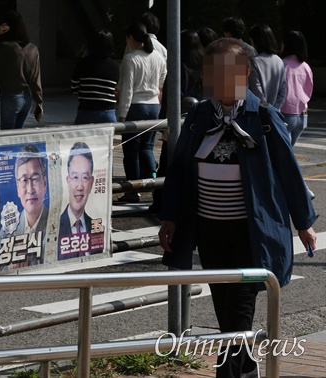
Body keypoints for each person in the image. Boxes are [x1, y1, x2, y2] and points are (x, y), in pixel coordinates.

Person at [158, 38, 317, 378]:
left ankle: (231, 373)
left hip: (250, 231)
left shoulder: (262, 116)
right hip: (209, 231)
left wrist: (304, 223)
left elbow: (289, 171)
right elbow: (180, 169)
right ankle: (245, 369)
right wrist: (170, 216)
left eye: (227, 71)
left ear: (245, 73)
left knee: (240, 310)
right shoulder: (200, 116)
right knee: (224, 306)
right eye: (211, 71)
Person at [150, 29, 203, 213]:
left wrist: (165, 123)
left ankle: (160, 203)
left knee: (167, 164)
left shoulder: (179, 67)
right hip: (199, 123)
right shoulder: (204, 67)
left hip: (178, 122)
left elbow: (171, 98)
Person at [116, 21, 167, 203]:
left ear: (131, 38)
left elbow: (127, 90)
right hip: (153, 105)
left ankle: (132, 191)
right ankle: (153, 184)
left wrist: (122, 116)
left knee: (131, 150)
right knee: (146, 147)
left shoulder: (131, 58)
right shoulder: (159, 57)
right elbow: (161, 84)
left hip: (136, 106)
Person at [0, 10, 43, 129]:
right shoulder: (32, 49)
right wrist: (39, 103)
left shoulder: (4, 47)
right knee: (17, 137)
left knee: (6, 137)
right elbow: (36, 78)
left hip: (11, 96)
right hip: (27, 98)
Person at [0, 144, 48, 269]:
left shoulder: (58, 223)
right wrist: (10, 267)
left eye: (35, 179)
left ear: (45, 183)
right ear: (17, 187)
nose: (30, 190)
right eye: (24, 181)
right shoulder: (8, 228)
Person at [70, 30, 119, 125]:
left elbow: (74, 87)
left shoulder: (83, 63)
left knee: (82, 139)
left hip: (86, 110)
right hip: (108, 112)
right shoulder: (115, 66)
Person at [58, 142, 95, 260]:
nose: (79, 187)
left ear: (91, 183)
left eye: (85, 178)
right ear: (67, 180)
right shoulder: (55, 227)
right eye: (75, 177)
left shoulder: (97, 227)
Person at [281, 30, 313, 146]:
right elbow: (309, 89)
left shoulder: (282, 64)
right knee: (290, 149)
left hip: (285, 113)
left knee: (286, 152)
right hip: (302, 114)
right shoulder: (306, 66)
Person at [248, 24, 287, 109]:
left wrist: (267, 109)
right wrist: (275, 110)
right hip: (275, 113)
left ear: (256, 41)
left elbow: (256, 90)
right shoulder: (279, 61)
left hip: (259, 113)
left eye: (251, 41)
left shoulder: (254, 62)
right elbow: (283, 91)